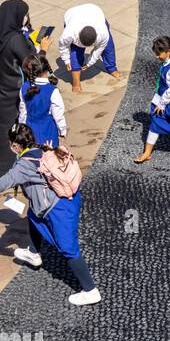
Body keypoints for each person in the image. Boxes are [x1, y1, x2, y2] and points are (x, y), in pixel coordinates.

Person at [0, 122, 100, 305]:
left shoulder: (24, 165)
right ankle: (34, 253)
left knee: (68, 248)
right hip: (67, 199)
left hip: (59, 208)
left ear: (15, 146)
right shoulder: (42, 149)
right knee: (33, 215)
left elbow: (5, 182)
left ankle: (90, 290)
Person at [0, 0, 44, 175]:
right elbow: (34, 65)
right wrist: (42, 51)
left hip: (2, 91)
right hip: (13, 94)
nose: (26, 17)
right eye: (25, 14)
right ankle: (10, 172)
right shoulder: (15, 39)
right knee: (11, 133)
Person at [58, 3, 122, 94]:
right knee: (75, 54)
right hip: (72, 14)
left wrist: (89, 63)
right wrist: (67, 60)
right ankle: (76, 82)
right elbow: (63, 47)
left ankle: (111, 68)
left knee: (109, 47)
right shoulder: (69, 34)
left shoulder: (103, 33)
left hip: (94, 12)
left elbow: (99, 49)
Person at [19, 54, 66, 147]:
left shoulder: (24, 87)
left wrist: (22, 128)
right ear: (47, 67)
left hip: (30, 130)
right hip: (48, 130)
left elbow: (23, 112)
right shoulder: (52, 90)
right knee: (50, 157)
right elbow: (58, 115)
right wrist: (62, 131)